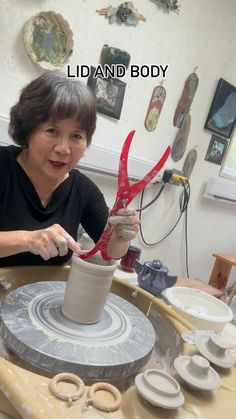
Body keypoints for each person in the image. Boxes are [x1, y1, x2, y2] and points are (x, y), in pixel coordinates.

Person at [0, 71, 140, 266]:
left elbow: (110, 252)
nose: (63, 149)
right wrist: (28, 239)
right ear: (28, 130)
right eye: (51, 131)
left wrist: (120, 238)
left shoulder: (83, 189)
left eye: (76, 136)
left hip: (41, 293)